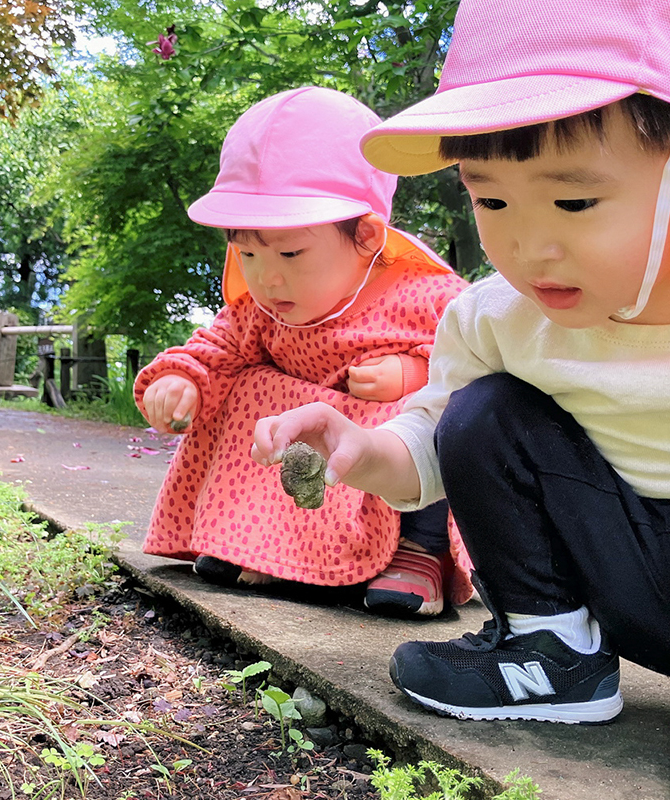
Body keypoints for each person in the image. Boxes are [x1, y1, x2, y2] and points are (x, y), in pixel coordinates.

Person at [250, 2, 670, 798]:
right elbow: (433, 447)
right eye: (492, 200)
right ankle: (552, 652)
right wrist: (360, 447)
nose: (528, 247)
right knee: (482, 414)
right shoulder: (496, 318)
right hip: (619, 578)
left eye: (574, 202)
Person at [134, 87, 473, 617]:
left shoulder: (425, 296)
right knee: (246, 383)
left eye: (291, 252)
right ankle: (258, 543)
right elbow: (215, 348)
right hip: (298, 477)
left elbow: (477, 360)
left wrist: (416, 370)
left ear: (365, 236)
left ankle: (420, 552)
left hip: (387, 474)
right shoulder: (260, 310)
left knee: (443, 415)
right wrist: (181, 379)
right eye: (247, 252)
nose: (268, 277)